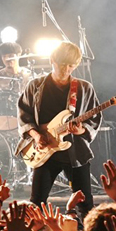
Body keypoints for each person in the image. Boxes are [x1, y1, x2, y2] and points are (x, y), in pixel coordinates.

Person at [18, 41, 100, 217]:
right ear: (52, 60)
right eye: (62, 65)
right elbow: (24, 115)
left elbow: (94, 118)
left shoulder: (84, 88)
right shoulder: (35, 86)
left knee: (85, 204)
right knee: (37, 202)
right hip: (45, 151)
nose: (66, 70)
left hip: (76, 152)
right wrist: (36, 135)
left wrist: (82, 130)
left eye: (71, 66)